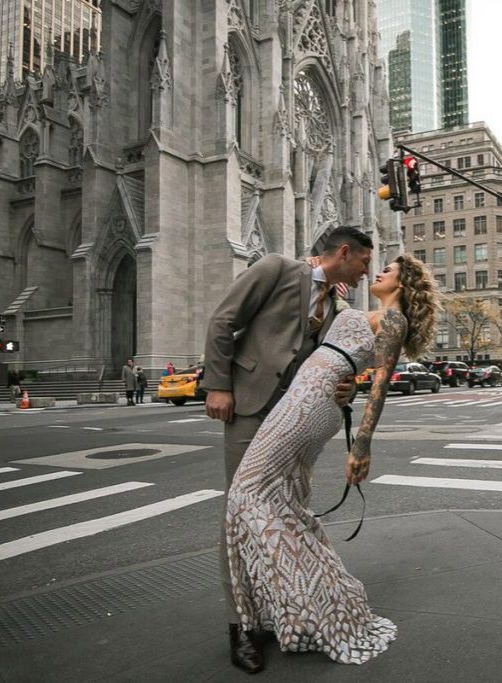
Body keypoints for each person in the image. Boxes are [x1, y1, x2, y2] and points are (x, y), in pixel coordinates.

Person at [225, 254, 439, 666]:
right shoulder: (362, 312)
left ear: (403, 283)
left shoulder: (393, 321)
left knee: (247, 492)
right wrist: (314, 270)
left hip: (312, 402)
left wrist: (362, 445)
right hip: (305, 394)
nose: (378, 272)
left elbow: (380, 385)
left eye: (389, 270)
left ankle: (310, 592)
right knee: (277, 500)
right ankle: (304, 596)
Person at [202, 226, 373, 673]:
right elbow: (223, 320)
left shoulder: (339, 306)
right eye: (362, 263)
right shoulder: (277, 268)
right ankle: (241, 626)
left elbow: (329, 363)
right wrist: (219, 386)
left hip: (294, 422)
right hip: (249, 405)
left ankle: (279, 608)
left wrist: (345, 389)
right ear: (343, 252)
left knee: (283, 511)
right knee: (241, 510)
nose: (364, 274)